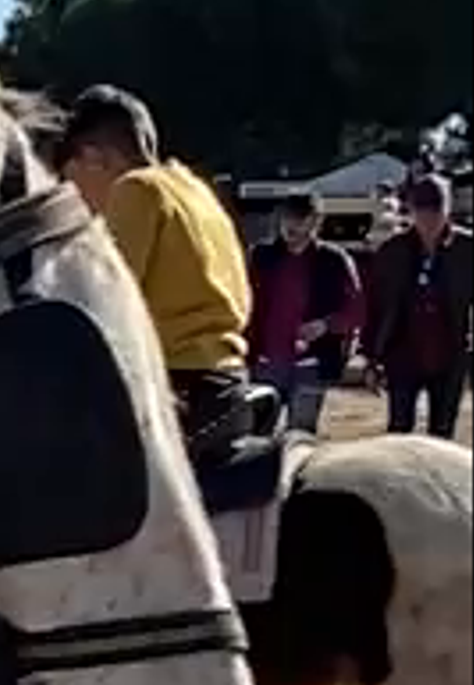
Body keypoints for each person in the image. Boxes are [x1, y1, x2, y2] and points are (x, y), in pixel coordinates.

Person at [54, 82, 250, 382]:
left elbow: (101, 304)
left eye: (71, 182)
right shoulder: (195, 190)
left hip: (177, 379)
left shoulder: (136, 189)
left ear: (94, 158)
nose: (75, 198)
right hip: (228, 372)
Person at [360, 163, 468, 440]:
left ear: (448, 212)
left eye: (436, 213)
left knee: (442, 434)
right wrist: (371, 357)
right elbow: (374, 306)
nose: (429, 221)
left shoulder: (467, 250)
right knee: (398, 431)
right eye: (423, 213)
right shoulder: (392, 251)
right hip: (403, 353)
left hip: (449, 354)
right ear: (412, 212)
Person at [247, 188, 369, 433]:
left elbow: (357, 310)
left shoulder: (334, 260)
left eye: (301, 219)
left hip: (311, 365)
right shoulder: (260, 257)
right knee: (257, 438)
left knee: (300, 436)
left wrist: (325, 325)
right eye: (288, 217)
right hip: (264, 363)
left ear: (316, 222)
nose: (293, 225)